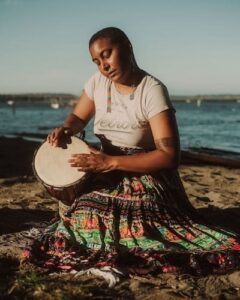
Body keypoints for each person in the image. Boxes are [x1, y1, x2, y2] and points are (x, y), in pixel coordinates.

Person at [26, 27, 240, 276]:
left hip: (147, 174)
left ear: (127, 47)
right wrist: (65, 128)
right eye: (97, 61)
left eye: (107, 54)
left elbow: (169, 156)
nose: (103, 66)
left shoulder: (152, 90)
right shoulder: (98, 82)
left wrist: (111, 163)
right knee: (86, 208)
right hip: (106, 167)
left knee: (130, 222)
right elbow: (77, 117)